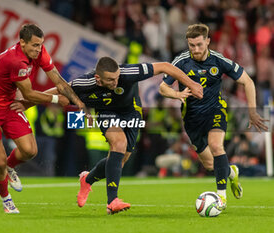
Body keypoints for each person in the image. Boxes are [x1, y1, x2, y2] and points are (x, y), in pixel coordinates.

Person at [15, 56, 203, 214]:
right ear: (98, 79)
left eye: (117, 78)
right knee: (118, 144)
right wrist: (26, 103)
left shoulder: (128, 73)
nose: (116, 82)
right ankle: (112, 201)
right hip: (106, 111)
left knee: (120, 160)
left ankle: (87, 179)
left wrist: (192, 84)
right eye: (111, 80)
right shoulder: (84, 83)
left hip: (131, 111)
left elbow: (166, 67)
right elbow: (58, 90)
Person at [0, 23, 86, 213]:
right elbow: (28, 94)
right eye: (34, 45)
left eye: (40, 45)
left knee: (29, 151)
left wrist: (77, 101)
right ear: (22, 43)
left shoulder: (40, 52)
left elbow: (58, 80)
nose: (38, 49)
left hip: (9, 104)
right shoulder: (15, 61)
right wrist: (55, 99)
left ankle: (10, 169)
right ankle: (7, 201)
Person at [159, 23, 268, 209]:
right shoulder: (181, 61)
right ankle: (231, 173)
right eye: (191, 45)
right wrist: (177, 95)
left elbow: (248, 82)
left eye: (199, 45)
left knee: (217, 146)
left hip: (215, 110)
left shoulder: (218, 60)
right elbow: (163, 87)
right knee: (210, 165)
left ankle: (221, 198)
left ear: (208, 41)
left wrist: (252, 111)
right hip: (192, 119)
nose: (195, 49)